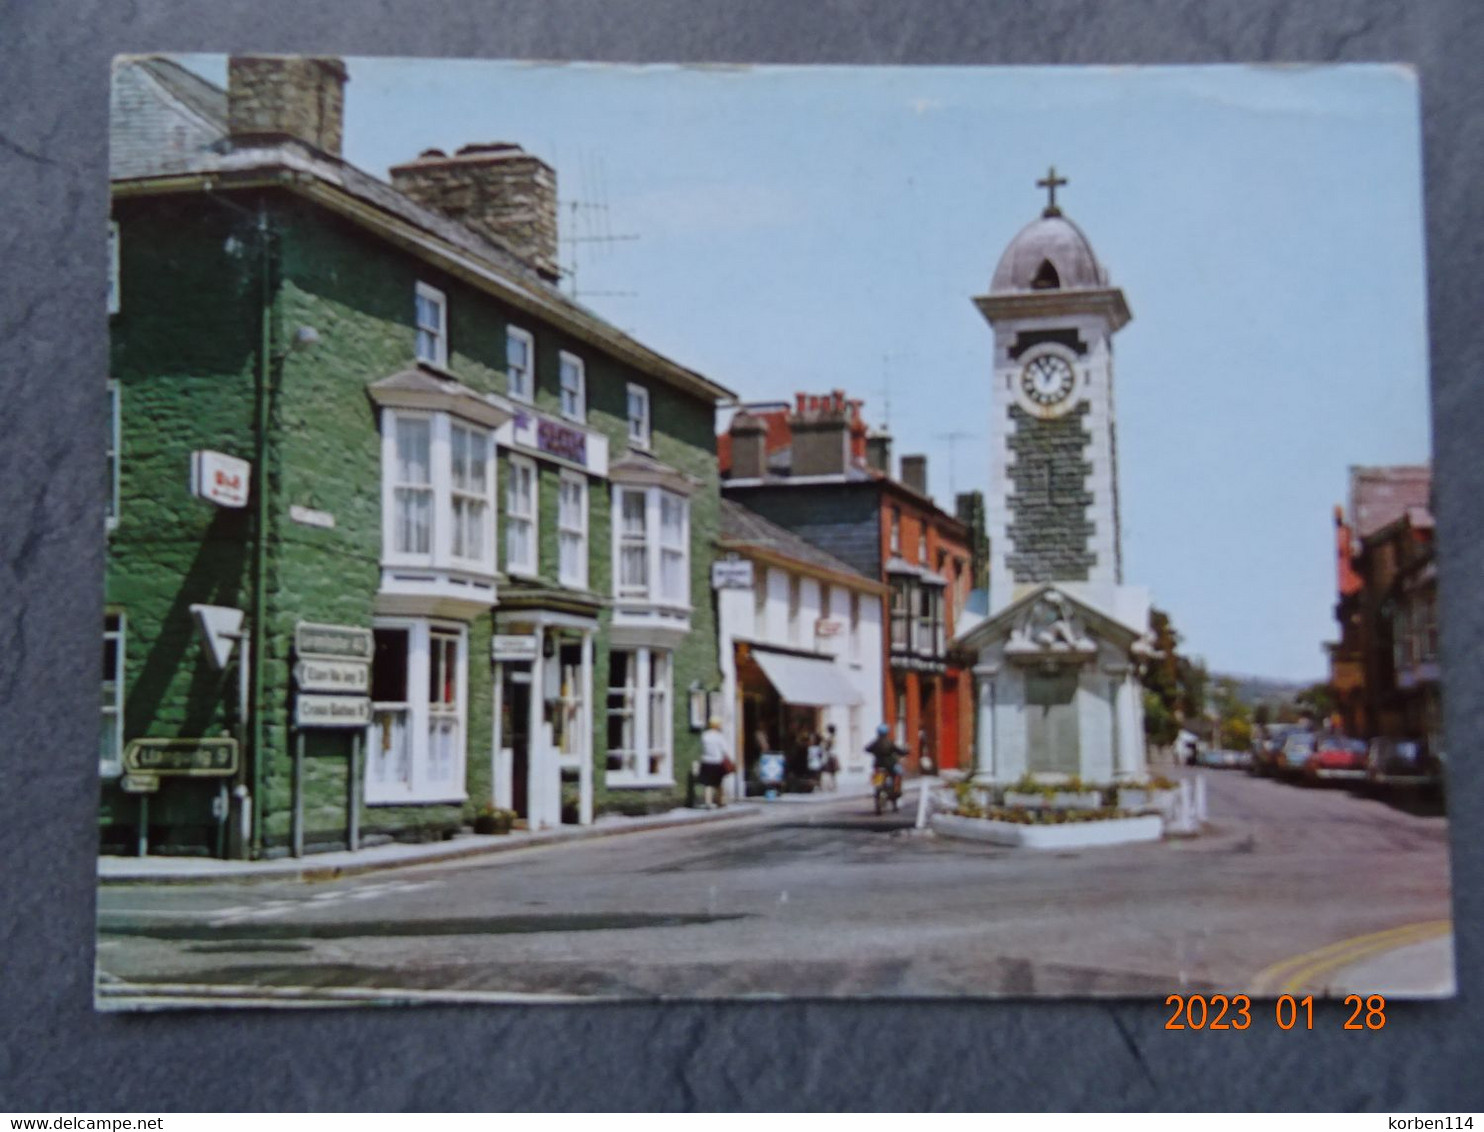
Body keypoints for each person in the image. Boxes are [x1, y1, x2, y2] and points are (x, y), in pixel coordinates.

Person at [698, 716, 731, 809]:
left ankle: (708, 802)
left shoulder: (705, 735)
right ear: (717, 726)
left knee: (707, 783)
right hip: (717, 762)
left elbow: (703, 747)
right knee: (719, 783)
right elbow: (724, 750)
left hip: (706, 761)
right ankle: (720, 801)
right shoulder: (719, 736)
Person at [865, 723, 904, 797]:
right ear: (887, 732)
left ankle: (877, 789)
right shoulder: (889, 742)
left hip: (878, 764)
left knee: (877, 776)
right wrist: (904, 752)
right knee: (897, 774)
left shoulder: (875, 742)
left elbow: (867, 748)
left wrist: (873, 752)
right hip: (890, 764)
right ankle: (896, 790)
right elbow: (898, 750)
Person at [820, 725, 839, 791]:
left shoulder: (830, 738)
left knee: (828, 771)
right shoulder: (834, 737)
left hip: (830, 756)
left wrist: (824, 743)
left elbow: (827, 747)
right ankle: (833, 786)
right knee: (832, 773)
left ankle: (830, 786)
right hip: (833, 755)